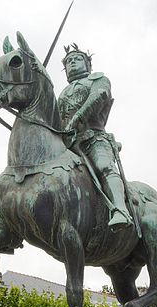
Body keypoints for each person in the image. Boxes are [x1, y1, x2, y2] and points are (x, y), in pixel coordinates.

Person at [58, 44, 133, 230]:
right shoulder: (62, 94)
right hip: (67, 144)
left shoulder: (98, 79)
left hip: (93, 138)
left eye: (77, 59)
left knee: (104, 166)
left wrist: (76, 119)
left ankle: (120, 209)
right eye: (68, 62)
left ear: (88, 64)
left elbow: (98, 97)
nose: (72, 63)